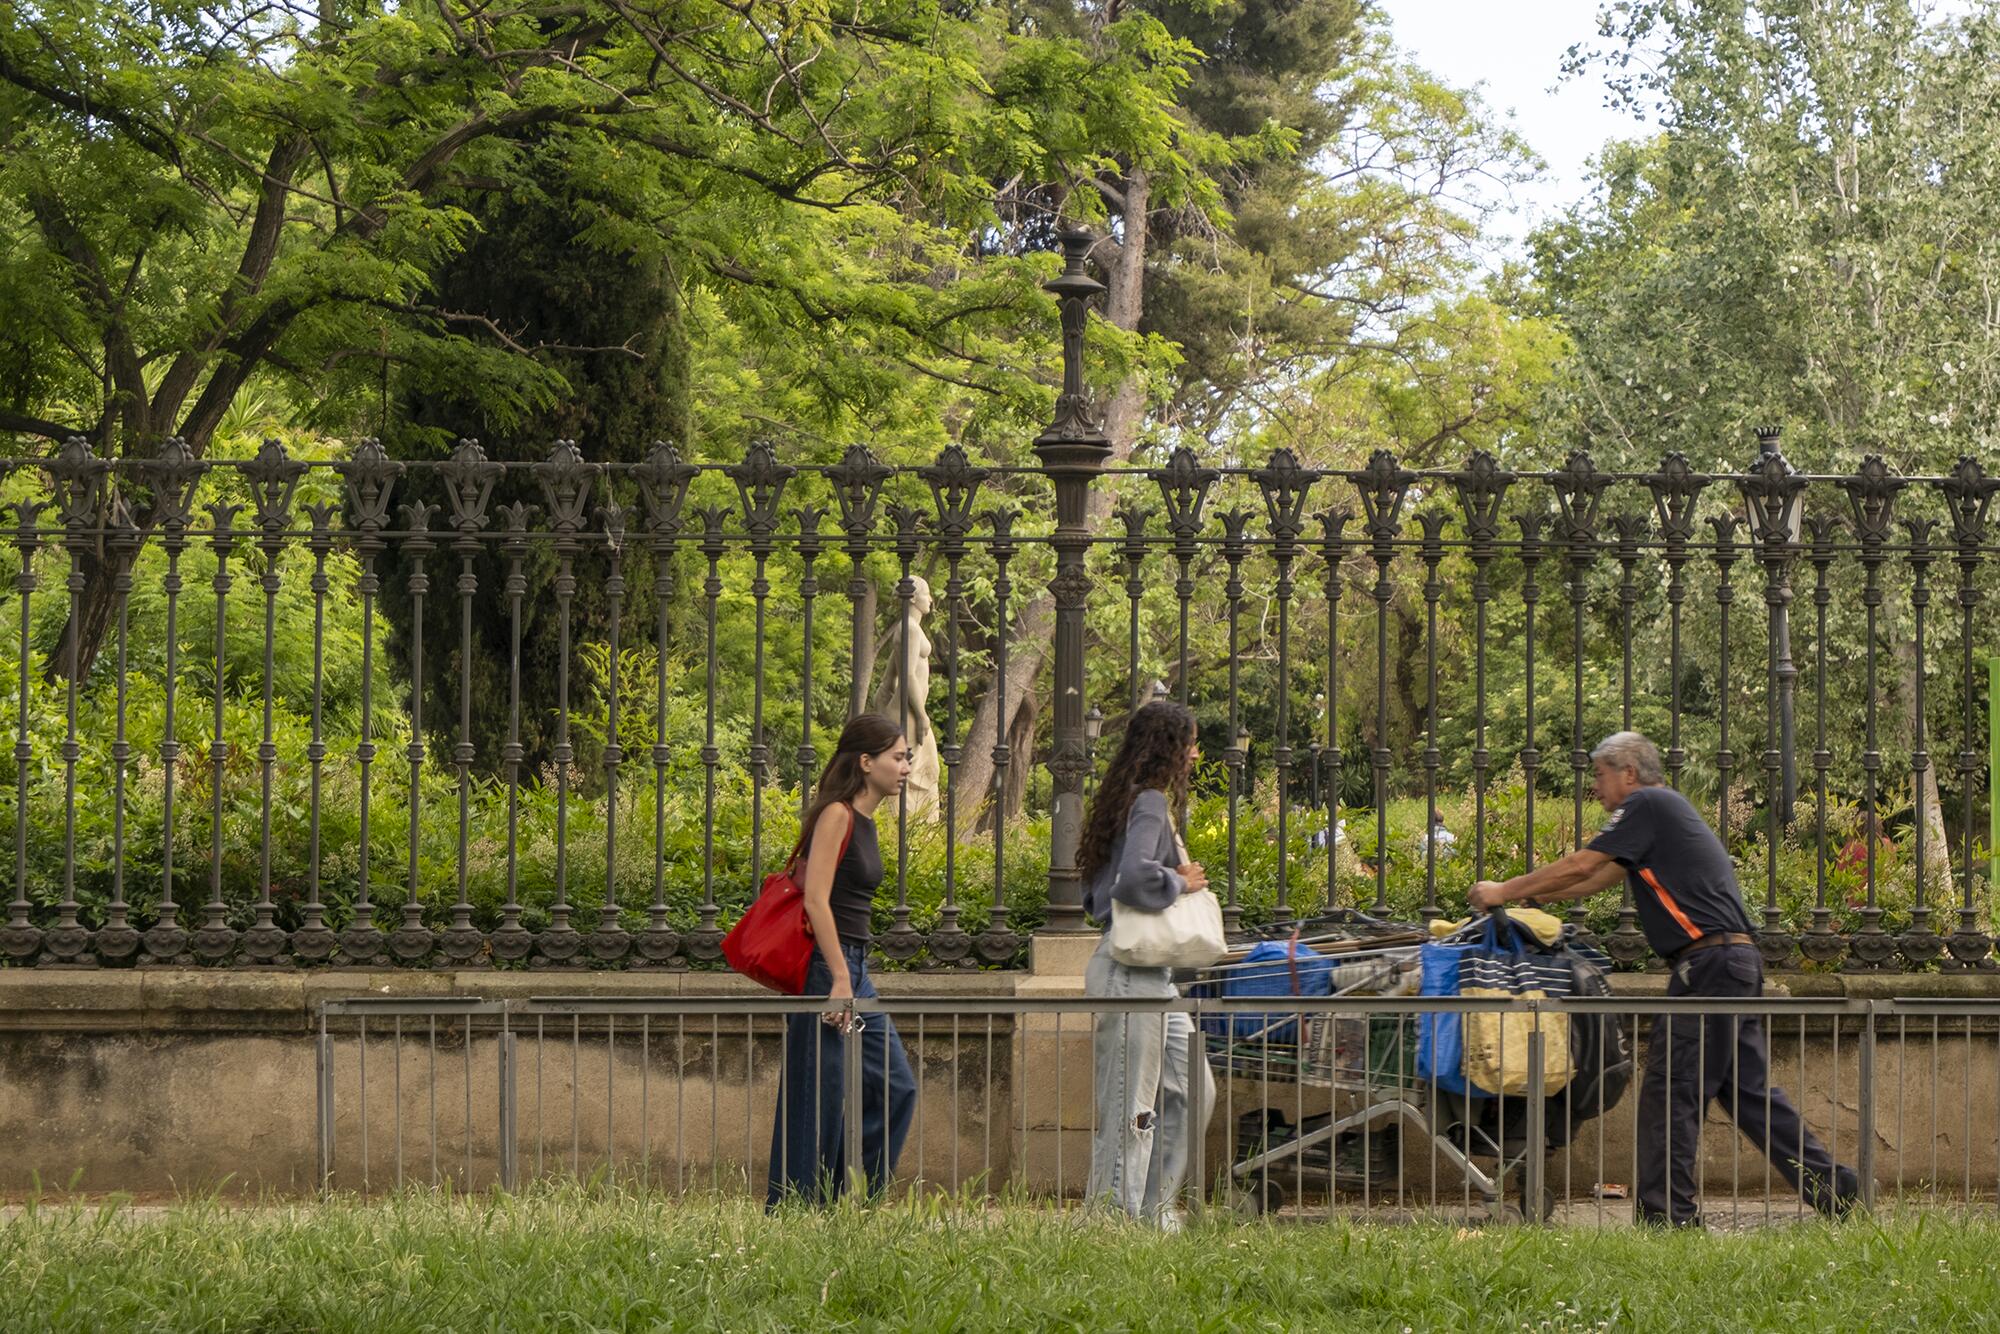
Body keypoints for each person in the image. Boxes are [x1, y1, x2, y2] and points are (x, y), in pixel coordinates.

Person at [1469, 730, 1861, 1227]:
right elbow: (1596, 879)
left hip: (1709, 968)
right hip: (1732, 964)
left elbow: (1580, 864)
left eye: (1600, 775)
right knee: (1750, 1096)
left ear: (1628, 773)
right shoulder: (1660, 814)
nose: (1596, 787)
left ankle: (1668, 1218)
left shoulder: (1647, 804)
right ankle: (1837, 1190)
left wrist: (1502, 889)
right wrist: (1535, 898)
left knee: (1670, 1091)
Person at [765, 714, 918, 1208]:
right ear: (866, 761)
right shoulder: (837, 815)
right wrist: (837, 979)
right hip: (829, 970)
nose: (906, 767)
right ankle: (796, 1212)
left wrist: (850, 976)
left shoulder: (866, 820)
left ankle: (853, 1201)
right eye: (898, 757)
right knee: (819, 1095)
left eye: (907, 757)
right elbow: (815, 900)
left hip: (854, 969)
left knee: (896, 1086)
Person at [1078, 698, 1217, 1229]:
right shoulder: (1152, 802)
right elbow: (1131, 881)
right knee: (1128, 1103)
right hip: (1127, 973)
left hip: (1147, 974)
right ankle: (1113, 1223)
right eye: (1191, 744)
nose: (1196, 754)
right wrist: (1182, 880)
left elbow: (1097, 894)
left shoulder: (1128, 802)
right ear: (1171, 749)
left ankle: (1153, 1211)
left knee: (1191, 1090)